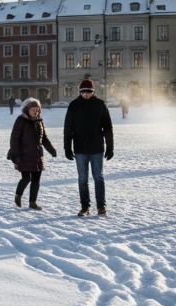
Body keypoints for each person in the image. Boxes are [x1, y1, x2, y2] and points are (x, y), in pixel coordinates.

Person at [64, 79, 114, 216]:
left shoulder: (100, 104)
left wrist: (110, 147)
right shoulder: (74, 105)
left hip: (97, 148)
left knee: (98, 177)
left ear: (93, 91)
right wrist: (67, 148)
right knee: (82, 179)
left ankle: (101, 206)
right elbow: (68, 128)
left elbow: (108, 127)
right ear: (80, 92)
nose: (86, 94)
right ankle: (85, 207)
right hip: (80, 148)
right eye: (83, 92)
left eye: (89, 92)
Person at [7, 97, 57, 210]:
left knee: (36, 180)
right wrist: (15, 156)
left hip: (37, 155)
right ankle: (18, 195)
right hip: (23, 155)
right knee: (26, 179)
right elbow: (14, 139)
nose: (36, 111)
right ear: (27, 109)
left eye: (37, 109)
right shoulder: (21, 120)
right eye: (33, 109)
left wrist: (52, 150)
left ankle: (32, 202)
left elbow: (44, 138)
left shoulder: (40, 121)